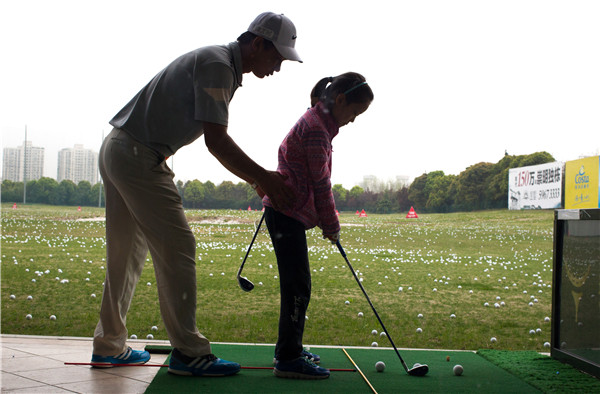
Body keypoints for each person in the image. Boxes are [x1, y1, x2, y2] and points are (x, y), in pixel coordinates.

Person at [91, 12, 302, 377]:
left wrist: (256, 179)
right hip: (138, 155)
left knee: (126, 254)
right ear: (257, 44)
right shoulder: (218, 65)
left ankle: (109, 346)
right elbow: (216, 141)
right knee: (179, 247)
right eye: (277, 57)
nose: (278, 67)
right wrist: (264, 179)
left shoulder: (220, 62)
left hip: (121, 149)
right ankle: (190, 353)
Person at [262, 72, 374, 379]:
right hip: (286, 214)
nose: (352, 120)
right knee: (298, 286)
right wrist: (331, 224)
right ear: (339, 100)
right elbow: (321, 184)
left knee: (297, 284)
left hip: (286, 213)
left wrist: (326, 222)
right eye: (354, 112)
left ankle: (291, 349)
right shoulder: (316, 130)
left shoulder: (318, 122)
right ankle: (287, 358)